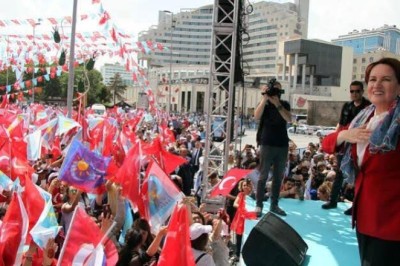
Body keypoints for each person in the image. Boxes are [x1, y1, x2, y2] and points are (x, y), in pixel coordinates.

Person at [321, 58, 400, 265]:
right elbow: (327, 143)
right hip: (364, 218)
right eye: (372, 79)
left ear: (399, 85)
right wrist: (345, 135)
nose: (377, 85)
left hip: (392, 224)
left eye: (386, 79)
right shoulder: (363, 119)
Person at [322, 80, 371, 212]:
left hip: (359, 144)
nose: (354, 94)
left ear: (362, 91)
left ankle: (356, 205)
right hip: (345, 143)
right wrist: (337, 142)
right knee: (339, 173)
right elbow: (340, 125)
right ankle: (333, 201)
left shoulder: (369, 107)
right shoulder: (347, 106)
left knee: (358, 175)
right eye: (352, 91)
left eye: (357, 91)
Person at [254, 80, 292, 216]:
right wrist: (265, 98)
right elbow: (256, 116)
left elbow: (289, 119)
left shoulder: (284, 104)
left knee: (278, 176)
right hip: (266, 143)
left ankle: (274, 204)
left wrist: (277, 103)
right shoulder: (265, 104)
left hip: (282, 144)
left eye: (277, 90)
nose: (275, 92)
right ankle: (259, 205)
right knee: (263, 175)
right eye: (273, 89)